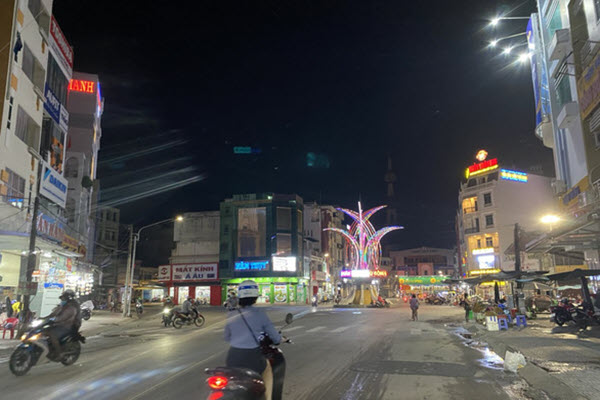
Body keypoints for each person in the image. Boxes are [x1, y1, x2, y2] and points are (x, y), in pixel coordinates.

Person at [225, 280, 282, 400]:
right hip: (253, 357)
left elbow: (226, 337)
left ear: (240, 297)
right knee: (267, 369)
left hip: (232, 357)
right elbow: (275, 337)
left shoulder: (232, 314)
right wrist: (278, 340)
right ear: (255, 297)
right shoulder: (260, 313)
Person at [45, 289, 81, 359]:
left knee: (52, 335)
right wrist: (43, 318)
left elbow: (62, 318)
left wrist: (53, 320)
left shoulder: (71, 308)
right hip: (59, 325)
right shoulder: (62, 306)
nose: (62, 300)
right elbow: (53, 314)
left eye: (64, 298)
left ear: (68, 299)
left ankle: (59, 353)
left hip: (68, 326)